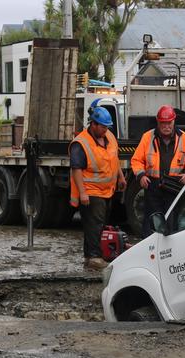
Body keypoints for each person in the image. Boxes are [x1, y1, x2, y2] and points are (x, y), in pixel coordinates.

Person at [69, 106, 126, 270]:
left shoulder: (109, 137)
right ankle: (94, 257)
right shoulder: (81, 143)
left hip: (107, 190)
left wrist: (120, 177)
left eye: (107, 127)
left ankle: (89, 257)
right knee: (94, 224)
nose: (105, 130)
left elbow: (114, 159)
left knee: (98, 224)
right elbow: (76, 169)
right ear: (93, 124)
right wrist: (82, 193)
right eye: (102, 126)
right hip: (91, 191)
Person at [131, 105, 185, 237]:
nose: (166, 126)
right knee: (151, 223)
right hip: (152, 186)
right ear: (158, 122)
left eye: (169, 123)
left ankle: (169, 253)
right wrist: (141, 176)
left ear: (174, 122)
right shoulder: (147, 137)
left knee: (171, 223)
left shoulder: (184, 138)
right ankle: (149, 251)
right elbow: (137, 160)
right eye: (163, 123)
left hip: (174, 186)